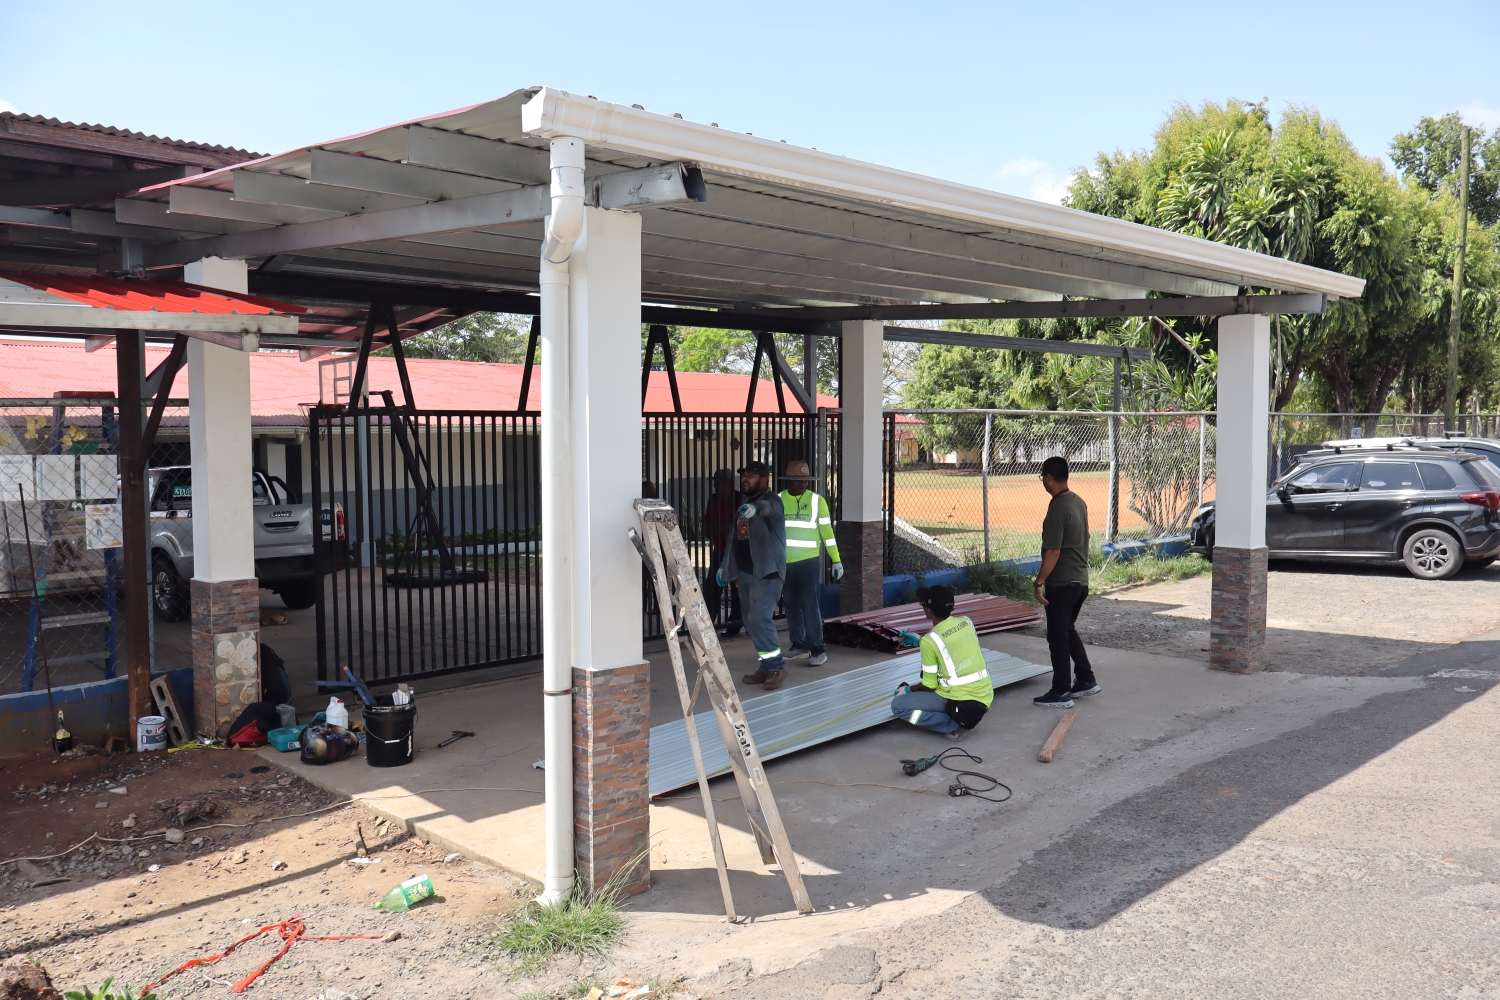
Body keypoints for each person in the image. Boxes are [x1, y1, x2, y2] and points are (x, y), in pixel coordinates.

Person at [1032, 455, 1099, 708]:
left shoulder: (1058, 507)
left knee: (1057, 636)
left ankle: (1061, 691)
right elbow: (1087, 536)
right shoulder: (1078, 502)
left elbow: (1053, 552)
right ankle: (1085, 678)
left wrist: (1040, 582)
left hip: (1061, 583)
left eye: (1042, 478)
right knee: (1067, 630)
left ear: (1048, 478)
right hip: (1080, 580)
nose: (1043, 482)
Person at [717, 460, 788, 689]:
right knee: (751, 623)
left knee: (760, 619)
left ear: (764, 480)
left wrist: (757, 509)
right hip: (747, 574)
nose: (745, 478)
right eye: (744, 474)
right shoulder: (744, 504)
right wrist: (724, 567)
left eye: (751, 475)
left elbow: (770, 508)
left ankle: (777, 667)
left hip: (767, 572)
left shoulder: (772, 501)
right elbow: (733, 540)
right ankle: (766, 667)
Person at [889, 585, 993, 740]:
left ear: (928, 610)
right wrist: (922, 641)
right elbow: (952, 643)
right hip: (984, 695)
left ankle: (953, 725)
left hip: (961, 701)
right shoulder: (966, 622)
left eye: (923, 604)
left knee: (898, 706)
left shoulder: (930, 641)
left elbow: (929, 685)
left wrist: (908, 690)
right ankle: (958, 718)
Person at [778, 460, 843, 667]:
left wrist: (836, 560)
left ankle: (818, 648)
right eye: (799, 481)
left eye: (806, 480)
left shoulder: (817, 501)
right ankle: (798, 645)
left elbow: (828, 533)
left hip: (808, 562)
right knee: (791, 605)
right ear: (790, 480)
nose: (803, 484)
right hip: (785, 563)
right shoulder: (779, 500)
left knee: (809, 605)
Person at [702, 468, 743, 635]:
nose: (714, 486)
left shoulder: (739, 499)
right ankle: (707, 626)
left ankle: (734, 625)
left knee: (737, 591)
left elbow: (744, 524)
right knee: (711, 589)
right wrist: (712, 530)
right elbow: (706, 523)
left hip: (737, 552)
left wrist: (725, 527)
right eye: (714, 483)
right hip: (719, 551)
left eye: (717, 482)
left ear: (728, 483)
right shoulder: (712, 500)